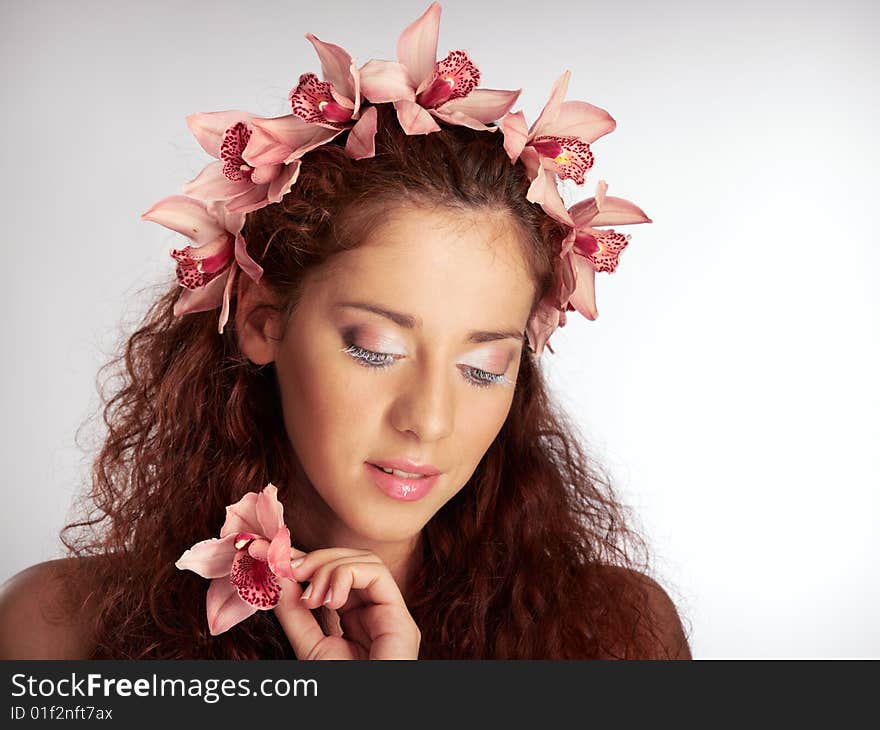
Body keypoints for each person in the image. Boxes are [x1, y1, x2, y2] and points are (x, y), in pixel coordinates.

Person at [0, 3, 691, 660]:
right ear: (263, 323)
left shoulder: (615, 636)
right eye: (375, 349)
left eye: (482, 368)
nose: (428, 419)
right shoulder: (60, 631)